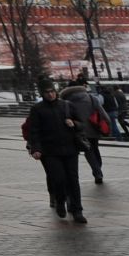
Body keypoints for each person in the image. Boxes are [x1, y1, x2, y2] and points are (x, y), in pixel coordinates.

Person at [24, 79, 86, 223]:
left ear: (56, 92)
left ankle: (77, 210)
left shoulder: (67, 106)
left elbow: (82, 124)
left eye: (52, 92)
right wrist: (36, 149)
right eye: (47, 93)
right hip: (50, 151)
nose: (50, 95)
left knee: (73, 180)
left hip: (70, 149)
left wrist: (74, 124)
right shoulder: (37, 109)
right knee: (58, 179)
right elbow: (34, 131)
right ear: (43, 94)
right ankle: (60, 202)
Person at [60, 76, 107, 184]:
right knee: (95, 149)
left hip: (78, 129)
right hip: (94, 128)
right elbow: (102, 113)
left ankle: (97, 172)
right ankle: (98, 169)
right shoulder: (91, 98)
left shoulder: (65, 101)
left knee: (88, 151)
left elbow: (65, 117)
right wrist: (107, 126)